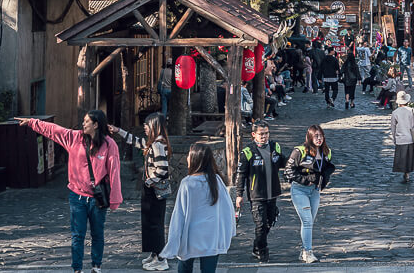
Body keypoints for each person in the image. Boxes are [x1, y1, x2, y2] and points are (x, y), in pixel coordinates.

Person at [17, 111, 122, 273]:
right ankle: (77, 269)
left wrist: (115, 199)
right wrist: (32, 122)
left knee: (97, 234)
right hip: (77, 197)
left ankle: (96, 266)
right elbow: (53, 130)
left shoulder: (109, 145)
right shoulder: (75, 138)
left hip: (98, 199)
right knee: (77, 236)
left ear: (96, 124)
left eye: (87, 121)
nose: (83, 124)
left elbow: (114, 172)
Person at [109, 113, 172, 271]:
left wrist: (149, 182)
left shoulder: (158, 144)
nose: (144, 127)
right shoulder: (152, 143)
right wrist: (118, 130)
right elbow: (134, 141)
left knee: (155, 225)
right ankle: (154, 254)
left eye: (147, 124)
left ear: (155, 126)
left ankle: (161, 259)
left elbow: (163, 170)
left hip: (154, 191)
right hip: (150, 189)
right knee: (149, 223)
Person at [161, 142, 235, 273]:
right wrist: (228, 232)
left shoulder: (188, 183)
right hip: (212, 236)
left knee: (184, 268)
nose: (187, 158)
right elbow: (227, 210)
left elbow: (179, 215)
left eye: (189, 155)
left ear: (195, 159)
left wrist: (174, 239)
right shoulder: (217, 180)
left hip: (191, 236)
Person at [235, 121, 286, 263]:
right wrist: (239, 194)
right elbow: (241, 174)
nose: (264, 136)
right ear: (254, 135)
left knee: (269, 222)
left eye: (266, 133)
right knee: (261, 224)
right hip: (257, 195)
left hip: (273, 193)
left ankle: (256, 246)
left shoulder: (275, 146)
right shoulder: (248, 152)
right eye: (261, 134)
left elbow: (284, 162)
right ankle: (262, 251)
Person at [284, 125, 336, 263]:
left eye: (321, 135)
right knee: (307, 221)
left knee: (309, 222)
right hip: (299, 189)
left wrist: (323, 182)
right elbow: (288, 171)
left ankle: (303, 252)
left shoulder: (327, 152)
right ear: (310, 137)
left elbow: (326, 169)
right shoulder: (299, 151)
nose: (319, 138)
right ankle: (308, 252)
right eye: (316, 136)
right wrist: (305, 181)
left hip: (315, 191)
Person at [390, 91, 414, 183]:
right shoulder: (411, 110)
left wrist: (394, 138)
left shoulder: (395, 112)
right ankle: (407, 173)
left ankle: (404, 171)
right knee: (409, 157)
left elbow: (393, 127)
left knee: (401, 156)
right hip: (410, 137)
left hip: (400, 137)